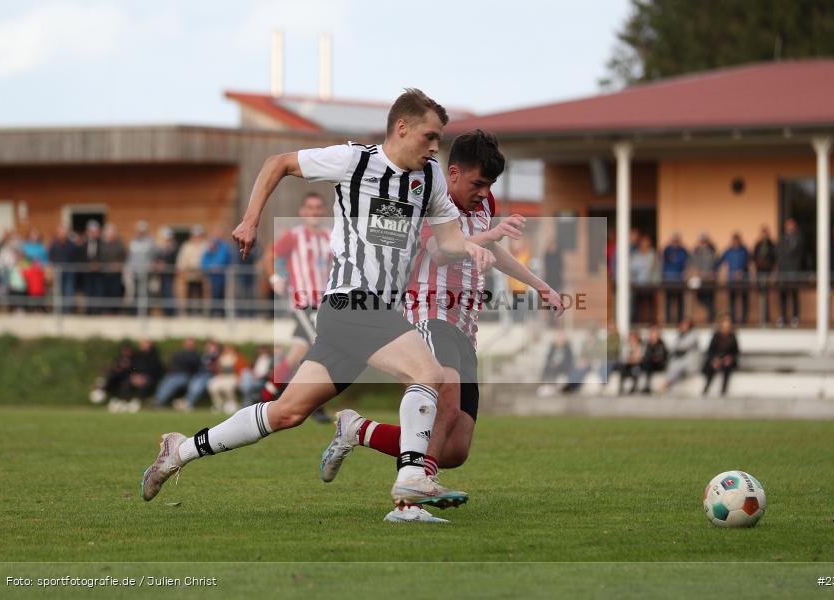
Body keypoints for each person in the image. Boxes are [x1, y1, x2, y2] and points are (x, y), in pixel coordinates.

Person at [141, 88, 495, 511]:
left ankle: (178, 452)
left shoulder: (432, 178)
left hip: (375, 315)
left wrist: (471, 246)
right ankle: (413, 478)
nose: (436, 146)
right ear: (402, 127)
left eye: (440, 138)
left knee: (287, 412)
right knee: (428, 371)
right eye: (430, 136)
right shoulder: (354, 160)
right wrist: (251, 219)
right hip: (351, 301)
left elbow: (449, 241)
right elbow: (279, 163)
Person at [317, 130, 563, 522]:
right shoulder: (431, 197)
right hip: (430, 316)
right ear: (452, 173)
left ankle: (357, 430)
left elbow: (491, 249)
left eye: (490, 185)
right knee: (442, 406)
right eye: (478, 183)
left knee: (454, 449)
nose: (484, 192)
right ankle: (407, 505)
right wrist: (491, 234)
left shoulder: (483, 205)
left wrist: (540, 285)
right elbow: (437, 250)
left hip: (465, 328)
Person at [266, 191, 334, 424]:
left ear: (323, 211)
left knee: (296, 354)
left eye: (318, 208)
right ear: (302, 212)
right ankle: (314, 404)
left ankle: (266, 394)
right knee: (323, 349)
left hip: (324, 303)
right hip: (304, 302)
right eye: (310, 208)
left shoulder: (328, 237)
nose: (314, 212)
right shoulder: (294, 236)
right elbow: (272, 254)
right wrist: (275, 276)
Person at [154, 338, 202, 408]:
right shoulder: (178, 353)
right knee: (167, 380)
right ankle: (157, 401)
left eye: (191, 344)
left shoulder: (196, 355)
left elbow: (195, 367)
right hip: (174, 374)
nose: (189, 345)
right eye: (188, 344)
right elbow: (171, 363)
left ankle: (159, 401)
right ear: (184, 344)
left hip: (186, 376)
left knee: (173, 381)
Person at [777, 217, 805, 327]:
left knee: (794, 295)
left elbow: (801, 256)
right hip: (783, 271)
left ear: (795, 226)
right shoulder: (782, 239)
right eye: (788, 225)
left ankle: (795, 317)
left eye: (791, 225)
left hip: (794, 271)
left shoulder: (799, 239)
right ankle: (783, 317)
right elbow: (779, 255)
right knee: (783, 295)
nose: (790, 227)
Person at [717, 232, 750, 325]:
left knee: (744, 299)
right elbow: (720, 261)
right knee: (732, 300)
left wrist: (742, 271)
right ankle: (733, 319)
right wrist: (714, 271)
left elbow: (748, 262)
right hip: (731, 279)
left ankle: (744, 319)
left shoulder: (744, 250)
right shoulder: (728, 251)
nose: (735, 242)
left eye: (737, 240)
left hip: (743, 279)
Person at [702, 316, 739, 396]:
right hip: (716, 358)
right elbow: (710, 350)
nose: (726, 329)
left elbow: (736, 351)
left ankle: (723, 389)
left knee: (727, 367)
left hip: (728, 360)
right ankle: (706, 387)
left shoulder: (733, 337)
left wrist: (730, 358)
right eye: (725, 327)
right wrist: (715, 359)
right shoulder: (716, 336)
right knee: (713, 367)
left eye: (728, 327)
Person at [126, 221, 157, 314]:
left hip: (147, 273)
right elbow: (130, 257)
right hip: (135, 272)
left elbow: (155, 256)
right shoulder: (133, 242)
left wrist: (151, 265)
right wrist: (129, 268)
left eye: (143, 231)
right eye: (139, 231)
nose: (141, 233)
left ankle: (146, 313)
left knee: (146, 293)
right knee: (135, 293)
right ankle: (134, 313)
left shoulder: (151, 242)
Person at [207, 344, 248, 414]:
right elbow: (218, 369)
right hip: (222, 376)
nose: (227, 350)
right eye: (226, 349)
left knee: (228, 387)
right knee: (212, 385)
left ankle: (231, 403)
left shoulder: (238, 357)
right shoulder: (221, 357)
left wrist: (240, 377)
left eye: (229, 349)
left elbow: (243, 370)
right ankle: (219, 404)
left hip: (233, 376)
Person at [48, 224, 79, 313]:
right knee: (58, 291)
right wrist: (50, 270)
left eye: (63, 232)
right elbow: (51, 258)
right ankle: (58, 311)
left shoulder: (72, 245)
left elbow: (75, 258)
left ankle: (68, 311)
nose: (61, 234)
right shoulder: (53, 244)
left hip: (69, 272)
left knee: (69, 291)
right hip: (57, 272)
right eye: (59, 232)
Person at [663, 318, 700, 392]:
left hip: (691, 363)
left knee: (677, 364)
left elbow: (683, 346)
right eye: (682, 325)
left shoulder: (693, 335)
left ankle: (667, 384)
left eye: (685, 325)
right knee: (673, 362)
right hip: (682, 363)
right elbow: (673, 348)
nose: (683, 327)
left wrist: (676, 347)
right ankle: (667, 383)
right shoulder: (679, 335)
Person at [201, 228, 232, 317]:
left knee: (221, 295)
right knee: (212, 295)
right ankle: (212, 313)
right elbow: (204, 261)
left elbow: (226, 260)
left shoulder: (225, 247)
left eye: (219, 233)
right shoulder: (209, 246)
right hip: (211, 277)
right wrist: (210, 268)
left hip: (222, 276)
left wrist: (219, 267)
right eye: (216, 234)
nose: (218, 236)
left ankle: (221, 314)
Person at [176, 225, 206, 315]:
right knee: (189, 292)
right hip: (189, 274)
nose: (196, 237)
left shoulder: (204, 245)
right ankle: (189, 312)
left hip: (201, 274)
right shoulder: (186, 246)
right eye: (195, 235)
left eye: (198, 235)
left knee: (200, 292)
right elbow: (182, 259)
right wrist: (181, 269)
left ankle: (200, 312)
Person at [99, 223, 126, 314]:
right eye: (108, 232)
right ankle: (106, 311)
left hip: (116, 274)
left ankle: (116, 311)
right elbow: (99, 257)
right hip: (104, 273)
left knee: (116, 292)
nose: (110, 234)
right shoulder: (101, 244)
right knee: (105, 292)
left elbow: (124, 257)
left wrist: (119, 264)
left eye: (112, 232)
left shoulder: (119, 244)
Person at [752, 226, 776, 326]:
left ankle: (766, 319)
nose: (764, 235)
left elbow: (775, 259)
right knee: (762, 297)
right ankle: (762, 319)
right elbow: (753, 258)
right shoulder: (758, 245)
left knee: (766, 297)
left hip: (768, 273)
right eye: (762, 233)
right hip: (760, 273)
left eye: (765, 233)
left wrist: (773, 274)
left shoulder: (771, 245)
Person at [78, 221, 104, 314]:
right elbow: (81, 256)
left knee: (98, 291)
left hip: (99, 272)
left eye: (95, 231)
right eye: (91, 231)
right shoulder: (83, 243)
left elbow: (104, 255)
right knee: (88, 291)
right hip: (87, 272)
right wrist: (88, 264)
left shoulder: (103, 243)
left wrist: (98, 264)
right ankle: (89, 310)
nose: (93, 233)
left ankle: (97, 311)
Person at [691, 233, 717, 323]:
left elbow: (715, 264)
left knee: (710, 299)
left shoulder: (711, 251)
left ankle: (711, 317)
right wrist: (696, 273)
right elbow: (693, 263)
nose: (703, 243)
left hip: (709, 280)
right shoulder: (696, 251)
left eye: (704, 241)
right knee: (700, 298)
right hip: (700, 280)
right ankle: (711, 313)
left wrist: (712, 273)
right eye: (701, 241)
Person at [661, 233, 688, 323]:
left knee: (680, 301)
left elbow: (686, 263)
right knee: (668, 301)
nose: (675, 243)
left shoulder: (683, 251)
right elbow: (664, 262)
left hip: (679, 280)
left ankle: (680, 321)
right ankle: (668, 321)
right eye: (674, 241)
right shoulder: (667, 250)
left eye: (677, 241)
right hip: (668, 279)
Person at [630, 235, 657, 323]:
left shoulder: (653, 255)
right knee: (638, 304)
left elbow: (656, 269)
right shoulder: (636, 255)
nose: (645, 244)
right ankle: (636, 321)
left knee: (651, 304)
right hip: (638, 284)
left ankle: (651, 322)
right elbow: (632, 268)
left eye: (646, 242)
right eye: (643, 242)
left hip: (650, 284)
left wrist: (656, 282)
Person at [154, 227, 178, 316]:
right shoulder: (161, 249)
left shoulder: (174, 248)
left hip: (169, 274)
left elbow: (174, 261)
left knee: (169, 293)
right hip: (161, 275)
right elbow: (157, 259)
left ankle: (171, 312)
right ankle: (165, 311)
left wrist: (165, 265)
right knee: (163, 293)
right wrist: (158, 265)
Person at [639, 324, 668, 393]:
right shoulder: (648, 344)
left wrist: (651, 358)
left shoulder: (661, 343)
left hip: (658, 364)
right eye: (651, 332)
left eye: (654, 332)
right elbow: (645, 354)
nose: (652, 334)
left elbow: (660, 357)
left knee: (648, 364)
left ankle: (647, 385)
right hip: (649, 363)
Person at [618, 329, 644, 395]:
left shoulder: (640, 345)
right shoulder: (626, 346)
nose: (632, 339)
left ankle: (634, 387)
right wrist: (632, 358)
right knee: (622, 368)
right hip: (628, 365)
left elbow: (639, 358)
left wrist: (633, 357)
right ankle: (621, 387)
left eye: (633, 338)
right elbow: (624, 357)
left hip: (637, 365)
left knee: (636, 369)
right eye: (631, 337)